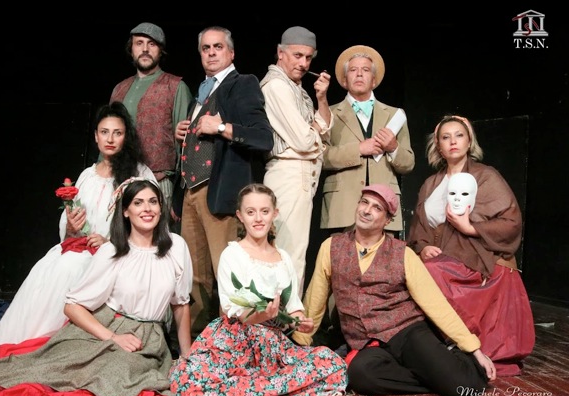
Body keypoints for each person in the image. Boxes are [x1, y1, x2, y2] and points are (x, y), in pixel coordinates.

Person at [0, 179, 193, 396]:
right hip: (107, 328)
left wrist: (186, 357)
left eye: (153, 202)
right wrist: (113, 337)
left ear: (161, 208)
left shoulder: (176, 247)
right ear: (126, 211)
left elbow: (180, 305)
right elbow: (72, 307)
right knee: (75, 372)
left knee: (125, 373)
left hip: (149, 337)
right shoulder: (113, 251)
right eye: (138, 203)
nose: (147, 209)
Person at [293, 184, 496, 396]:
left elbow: (435, 304)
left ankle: (450, 365)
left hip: (406, 332)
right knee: (359, 374)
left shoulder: (403, 253)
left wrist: (473, 348)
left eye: (377, 207)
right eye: (364, 202)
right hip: (367, 342)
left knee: (462, 386)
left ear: (388, 220)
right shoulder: (331, 247)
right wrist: (300, 343)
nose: (366, 210)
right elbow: (315, 299)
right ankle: (434, 381)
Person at [0, 101, 156, 347]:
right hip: (82, 248)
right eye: (104, 132)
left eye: (117, 133)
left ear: (126, 137)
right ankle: (32, 342)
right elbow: (67, 226)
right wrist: (70, 227)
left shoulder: (139, 174)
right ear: (96, 137)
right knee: (51, 265)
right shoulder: (87, 176)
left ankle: (60, 342)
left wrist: (110, 241)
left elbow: (150, 220)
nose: (110, 139)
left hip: (119, 253)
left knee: (71, 266)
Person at [170, 183, 346, 396]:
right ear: (240, 216)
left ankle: (262, 387)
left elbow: (293, 306)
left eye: (264, 211)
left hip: (272, 347)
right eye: (250, 212)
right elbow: (234, 310)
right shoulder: (232, 254)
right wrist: (261, 316)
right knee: (190, 379)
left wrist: (300, 322)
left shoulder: (283, 257)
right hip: (236, 342)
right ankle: (269, 388)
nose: (258, 218)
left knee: (332, 363)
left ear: (275, 213)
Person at [407, 115, 535, 376]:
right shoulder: (430, 184)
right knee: (412, 272)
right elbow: (419, 228)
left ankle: (462, 345)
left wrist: (470, 228)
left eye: (459, 135)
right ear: (438, 146)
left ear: (469, 141)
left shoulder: (486, 176)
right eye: (446, 137)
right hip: (440, 257)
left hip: (475, 259)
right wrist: (423, 248)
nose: (453, 141)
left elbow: (511, 222)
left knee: (432, 273)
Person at [173, 26, 273, 338]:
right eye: (206, 48)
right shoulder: (200, 92)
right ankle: (201, 346)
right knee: (194, 278)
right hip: (191, 192)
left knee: (227, 275)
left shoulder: (242, 84)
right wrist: (185, 134)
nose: (211, 52)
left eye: (218, 47)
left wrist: (221, 128)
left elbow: (263, 137)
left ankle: (234, 346)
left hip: (219, 192)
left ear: (231, 53)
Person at [260, 26, 331, 298]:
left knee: (294, 254)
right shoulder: (277, 85)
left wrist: (321, 99)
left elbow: (323, 129)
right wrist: (316, 132)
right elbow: (305, 141)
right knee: (286, 253)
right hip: (287, 173)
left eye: (309, 58)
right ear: (280, 53)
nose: (303, 63)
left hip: (301, 175)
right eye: (297, 55)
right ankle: (282, 318)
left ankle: (287, 317)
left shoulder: (296, 88)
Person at [321, 45, 414, 238]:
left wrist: (393, 148)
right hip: (343, 208)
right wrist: (359, 149)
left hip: (384, 209)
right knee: (341, 257)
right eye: (353, 70)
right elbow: (320, 156)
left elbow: (408, 163)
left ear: (374, 80)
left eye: (365, 70)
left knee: (385, 258)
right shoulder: (329, 113)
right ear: (344, 80)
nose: (359, 74)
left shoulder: (395, 115)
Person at [110, 22, 193, 226]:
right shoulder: (120, 89)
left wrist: (178, 195)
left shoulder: (175, 86)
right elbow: (107, 139)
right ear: (131, 49)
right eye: (139, 43)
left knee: (158, 242)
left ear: (160, 50)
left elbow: (186, 146)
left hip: (159, 182)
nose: (145, 49)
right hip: (119, 181)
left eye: (152, 44)